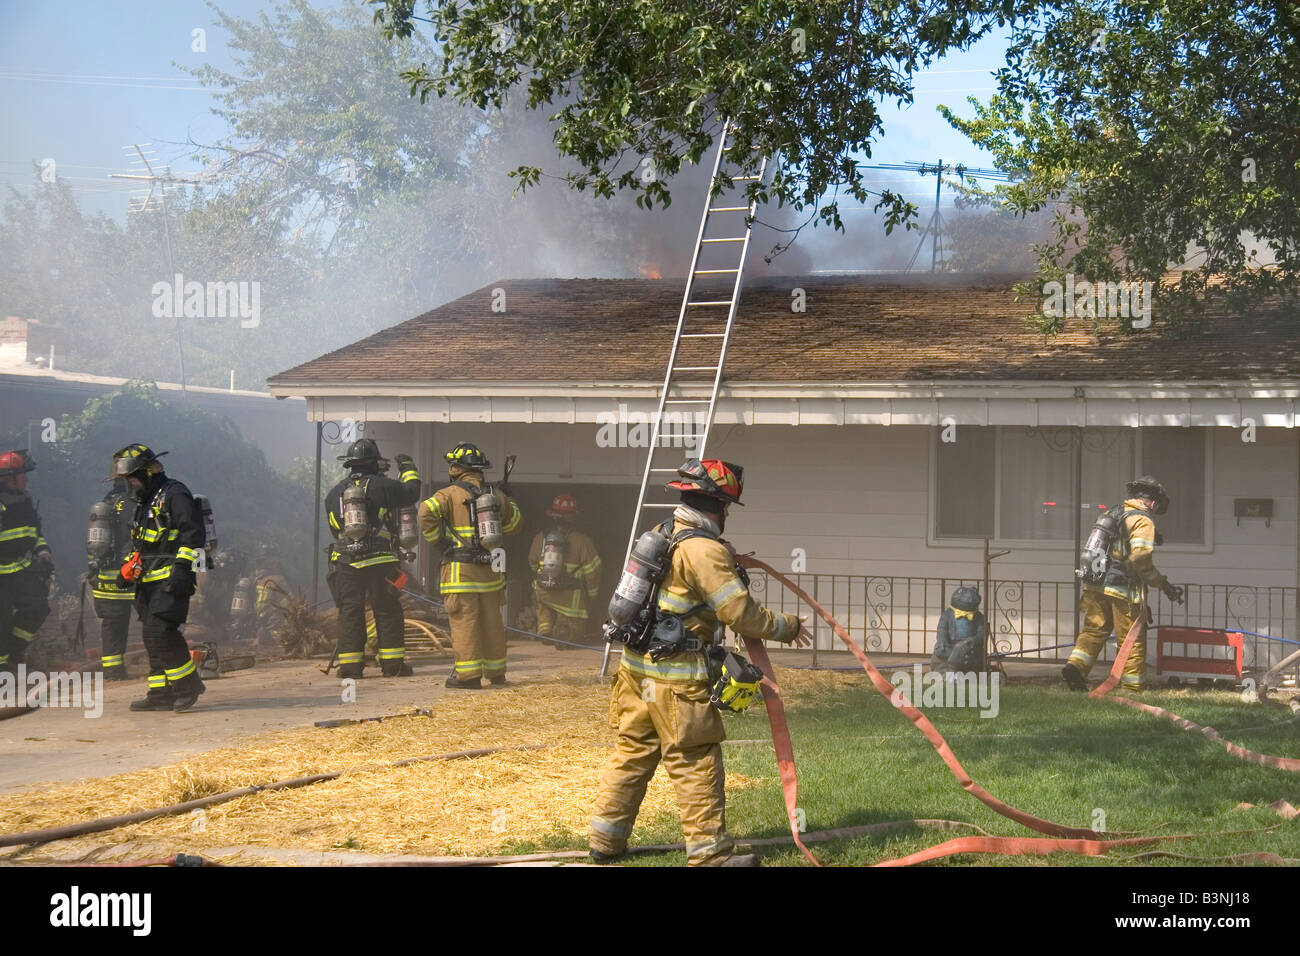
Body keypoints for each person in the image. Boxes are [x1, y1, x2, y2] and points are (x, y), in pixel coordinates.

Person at [590, 458, 811, 867]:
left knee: (633, 753)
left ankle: (605, 842)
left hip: (635, 672)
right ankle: (711, 857)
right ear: (720, 506)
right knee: (695, 760)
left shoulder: (661, 533)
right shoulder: (704, 551)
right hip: (676, 682)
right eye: (727, 507)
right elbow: (740, 615)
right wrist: (788, 626)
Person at [1062, 475, 1184, 692]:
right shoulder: (1142, 520)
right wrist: (1160, 582)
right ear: (1153, 504)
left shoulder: (1112, 513)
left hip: (1094, 584)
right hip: (1122, 589)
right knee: (1131, 639)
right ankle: (1132, 688)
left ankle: (1076, 667)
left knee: (1093, 630)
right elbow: (1140, 559)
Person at [418, 442, 522, 688]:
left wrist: (439, 543)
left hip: (460, 573)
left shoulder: (448, 494)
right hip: (490, 573)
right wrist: (509, 500)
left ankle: (469, 677)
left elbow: (424, 513)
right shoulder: (495, 495)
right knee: (492, 623)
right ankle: (497, 674)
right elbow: (515, 525)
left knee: (465, 622)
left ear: (456, 468)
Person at [113, 444, 208, 713]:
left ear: (147, 473)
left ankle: (187, 686)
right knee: (151, 636)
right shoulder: (144, 503)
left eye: (132, 479)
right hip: (148, 582)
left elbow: (193, 535)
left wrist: (182, 570)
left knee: (161, 631)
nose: (130, 485)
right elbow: (141, 544)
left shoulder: (175, 494)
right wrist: (126, 569)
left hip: (172, 579)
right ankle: (160, 693)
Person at [324, 439, 421, 679]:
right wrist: (408, 468)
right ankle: (392, 666)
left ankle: (350, 668)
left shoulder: (334, 494)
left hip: (345, 562)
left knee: (350, 612)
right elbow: (411, 493)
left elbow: (335, 529)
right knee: (387, 609)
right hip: (381, 562)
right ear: (374, 463)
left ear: (350, 464)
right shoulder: (385, 486)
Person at [0, 450, 52, 672]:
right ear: (10, 477)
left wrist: (43, 551)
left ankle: (14, 650)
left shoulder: (25, 501)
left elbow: (35, 533)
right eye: (23, 475)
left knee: (38, 607)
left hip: (20, 567)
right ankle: (2, 667)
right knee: (1, 620)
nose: (26, 479)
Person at [529, 493, 601, 649]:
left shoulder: (540, 538)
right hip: (570, 596)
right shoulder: (582, 541)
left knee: (543, 604)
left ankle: (545, 630)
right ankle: (564, 632)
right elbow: (593, 571)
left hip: (543, 589)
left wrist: (543, 576)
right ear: (573, 517)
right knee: (572, 621)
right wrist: (592, 594)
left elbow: (532, 563)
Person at [88, 477, 137, 680]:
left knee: (113, 626)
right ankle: (161, 667)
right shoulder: (137, 504)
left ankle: (113, 671)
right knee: (154, 622)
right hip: (132, 575)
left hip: (106, 578)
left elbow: (94, 546)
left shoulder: (107, 503)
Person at [930, 586, 985, 673]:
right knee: (940, 654)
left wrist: (971, 640)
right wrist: (942, 642)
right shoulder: (947, 614)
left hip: (969, 647)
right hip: (950, 646)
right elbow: (942, 630)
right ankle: (946, 672)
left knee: (972, 657)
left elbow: (981, 633)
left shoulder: (979, 617)